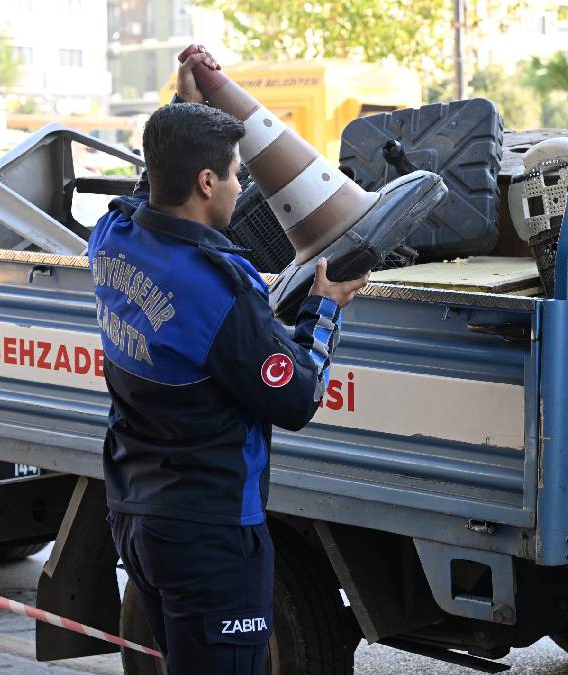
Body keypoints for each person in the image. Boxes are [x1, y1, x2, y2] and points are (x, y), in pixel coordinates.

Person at [88, 46, 368, 674]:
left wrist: (187, 107)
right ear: (208, 183)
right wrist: (326, 306)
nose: (244, 185)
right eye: (238, 173)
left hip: (137, 514)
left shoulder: (110, 240)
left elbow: (150, 188)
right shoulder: (219, 289)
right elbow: (298, 398)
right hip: (209, 531)